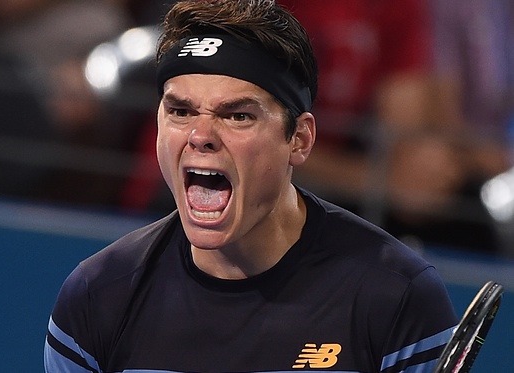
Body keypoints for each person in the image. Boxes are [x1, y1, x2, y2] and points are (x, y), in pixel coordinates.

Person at [44, 1, 459, 372]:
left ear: (299, 139)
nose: (200, 135)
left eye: (237, 115)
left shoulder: (396, 295)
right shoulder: (97, 296)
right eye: (180, 111)